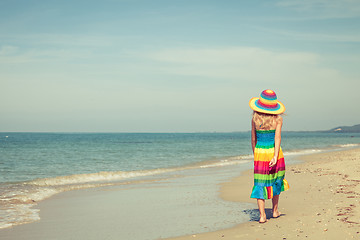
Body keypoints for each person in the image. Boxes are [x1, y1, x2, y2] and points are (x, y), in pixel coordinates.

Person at [249, 89, 290, 223]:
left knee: (260, 183)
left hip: (260, 152)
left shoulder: (255, 119)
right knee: (276, 180)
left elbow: (253, 140)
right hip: (274, 151)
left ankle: (262, 216)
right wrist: (274, 155)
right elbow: (277, 138)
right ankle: (275, 210)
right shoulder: (278, 119)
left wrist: (256, 154)